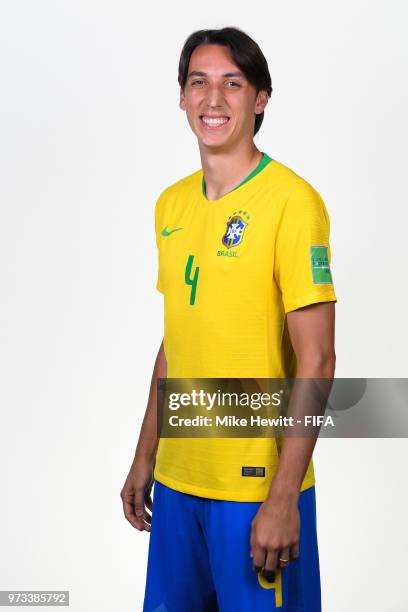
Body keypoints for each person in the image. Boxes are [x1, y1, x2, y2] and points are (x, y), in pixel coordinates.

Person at [121, 26, 337, 612]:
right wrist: (146, 457)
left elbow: (318, 360)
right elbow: (175, 345)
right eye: (199, 82)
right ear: (183, 97)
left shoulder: (293, 202)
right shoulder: (171, 204)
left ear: (260, 98)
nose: (213, 100)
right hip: (178, 483)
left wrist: (284, 496)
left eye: (232, 84)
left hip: (256, 490)